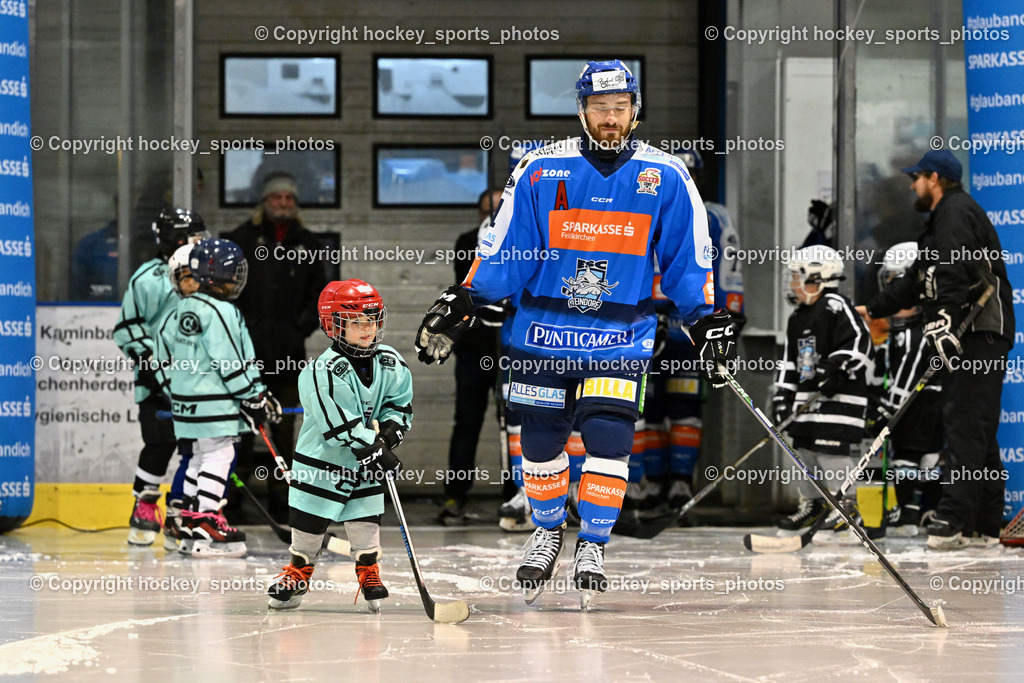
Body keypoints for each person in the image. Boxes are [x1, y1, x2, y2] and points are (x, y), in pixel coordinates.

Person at [414, 60, 736, 609]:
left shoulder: (667, 176)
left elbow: (687, 257)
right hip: (541, 333)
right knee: (539, 446)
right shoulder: (541, 169)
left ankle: (593, 542)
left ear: (635, 110)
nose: (610, 118)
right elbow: (506, 245)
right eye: (599, 108)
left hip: (619, 335)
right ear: (582, 110)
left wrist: (703, 316)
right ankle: (546, 530)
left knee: (610, 440)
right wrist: (466, 297)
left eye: (620, 108)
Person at [857, 149, 1015, 550]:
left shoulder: (956, 212)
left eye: (916, 177)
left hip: (977, 332)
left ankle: (954, 520)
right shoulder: (941, 221)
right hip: (967, 333)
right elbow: (915, 282)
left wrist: (943, 317)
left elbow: (952, 268)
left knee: (963, 426)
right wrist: (872, 308)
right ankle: (984, 522)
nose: (912, 184)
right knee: (977, 429)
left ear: (934, 178)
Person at [267, 279, 413, 611]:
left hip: (365, 463)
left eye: (372, 321)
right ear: (334, 325)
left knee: (365, 516)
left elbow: (399, 405)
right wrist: (373, 447)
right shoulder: (320, 371)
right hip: (321, 463)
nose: (367, 330)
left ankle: (369, 571)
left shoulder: (389, 361)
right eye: (357, 322)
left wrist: (389, 435)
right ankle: (298, 570)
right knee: (309, 520)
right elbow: (338, 423)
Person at [634, 149, 746, 523]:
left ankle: (680, 483)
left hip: (689, 332)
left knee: (684, 412)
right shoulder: (642, 206)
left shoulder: (713, 216)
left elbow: (729, 269)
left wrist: (727, 319)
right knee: (646, 411)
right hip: (645, 330)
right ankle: (650, 484)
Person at [222, 172, 328, 522]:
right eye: (276, 197)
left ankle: (282, 500)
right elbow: (225, 292)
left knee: (283, 429)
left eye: (289, 197)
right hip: (246, 355)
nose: (283, 203)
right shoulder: (241, 240)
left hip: (288, 354)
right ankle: (233, 498)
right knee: (241, 427)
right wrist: (239, 330)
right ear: (264, 202)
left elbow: (321, 295)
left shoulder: (309, 244)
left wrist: (299, 328)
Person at [167, 238, 280, 557]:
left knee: (199, 457)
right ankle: (208, 524)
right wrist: (254, 396)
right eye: (234, 272)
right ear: (219, 274)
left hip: (186, 405)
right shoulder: (222, 310)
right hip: (216, 403)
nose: (237, 278)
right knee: (220, 454)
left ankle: (190, 523)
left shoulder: (185, 306)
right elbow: (230, 359)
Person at [113, 208, 208, 546]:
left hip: (196, 382)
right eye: (192, 236)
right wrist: (152, 366)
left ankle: (180, 515)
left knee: (195, 448)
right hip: (155, 382)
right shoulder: (148, 278)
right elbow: (127, 329)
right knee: (159, 443)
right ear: (175, 238)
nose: (199, 242)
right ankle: (144, 507)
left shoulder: (205, 275)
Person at [773, 246, 872, 532]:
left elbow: (860, 344)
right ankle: (814, 505)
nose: (792, 284)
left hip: (839, 403)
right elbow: (788, 363)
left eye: (796, 277)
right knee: (804, 450)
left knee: (830, 452)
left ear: (818, 277)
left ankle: (846, 506)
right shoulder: (797, 318)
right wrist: (782, 395)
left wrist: (835, 367)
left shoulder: (836, 306)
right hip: (807, 404)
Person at [438, 188, 509, 525]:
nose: (491, 217)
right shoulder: (468, 240)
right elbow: (468, 288)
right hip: (473, 347)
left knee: (513, 422)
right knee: (467, 420)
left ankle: (517, 493)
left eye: (497, 210)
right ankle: (455, 494)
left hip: (511, 348)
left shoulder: (525, 240)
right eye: (486, 211)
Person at [874, 243, 943, 536]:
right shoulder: (917, 327)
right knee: (923, 455)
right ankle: (922, 508)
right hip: (927, 403)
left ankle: (910, 511)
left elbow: (908, 372)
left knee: (908, 453)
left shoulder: (918, 331)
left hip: (919, 404)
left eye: (894, 283)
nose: (890, 293)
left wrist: (888, 410)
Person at [154, 244, 201, 551]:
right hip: (192, 407)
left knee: (208, 459)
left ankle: (196, 514)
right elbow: (163, 365)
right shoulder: (173, 319)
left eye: (197, 277)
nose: (191, 283)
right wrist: (182, 395)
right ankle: (176, 515)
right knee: (192, 456)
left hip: (214, 405)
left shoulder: (215, 313)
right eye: (184, 278)